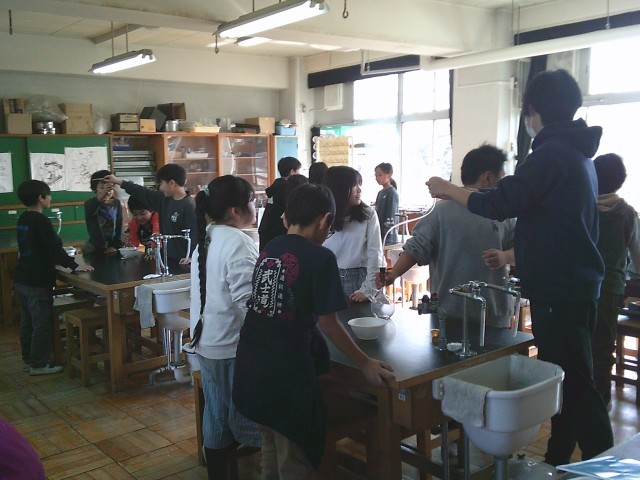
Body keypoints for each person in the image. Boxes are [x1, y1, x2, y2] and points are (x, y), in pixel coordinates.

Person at [426, 69, 613, 465]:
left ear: (532, 110)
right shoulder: (578, 154)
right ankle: (558, 458)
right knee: (564, 376)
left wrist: (449, 190)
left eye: (527, 112)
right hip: (575, 284)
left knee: (577, 385)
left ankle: (606, 464)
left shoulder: (550, 155)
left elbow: (498, 202)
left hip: (559, 289)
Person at [233, 183, 395, 479]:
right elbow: (328, 322)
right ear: (324, 220)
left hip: (251, 362)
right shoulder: (320, 257)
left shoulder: (271, 247)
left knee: (270, 446)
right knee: (295, 460)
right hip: (285, 372)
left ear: (286, 218)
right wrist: (365, 362)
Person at [378, 145, 516, 328]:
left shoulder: (503, 213)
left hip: (488, 313)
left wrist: (505, 256)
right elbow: (417, 248)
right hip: (452, 313)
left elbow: (521, 250)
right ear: (488, 177)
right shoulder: (442, 211)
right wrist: (394, 273)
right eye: (502, 178)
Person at [186, 176, 262, 480]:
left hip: (207, 342)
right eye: (253, 200)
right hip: (232, 345)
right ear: (235, 210)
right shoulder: (238, 241)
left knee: (216, 415)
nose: (256, 206)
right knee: (249, 418)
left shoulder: (209, 236)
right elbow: (248, 302)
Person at [13, 180, 93, 375]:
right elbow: (54, 248)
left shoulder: (23, 218)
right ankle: (39, 364)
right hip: (37, 280)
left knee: (28, 321)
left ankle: (29, 359)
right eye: (48, 195)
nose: (50, 198)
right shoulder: (40, 220)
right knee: (42, 322)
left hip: (22, 277)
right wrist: (75, 266)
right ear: (41, 198)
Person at [591, 153, 640, 407]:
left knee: (580, 344)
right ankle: (602, 400)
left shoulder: (583, 208)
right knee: (603, 345)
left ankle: (575, 399)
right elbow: (638, 256)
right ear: (621, 181)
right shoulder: (627, 213)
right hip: (610, 288)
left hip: (581, 286)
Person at [103, 164, 196, 263]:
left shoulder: (189, 206)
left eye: (161, 183)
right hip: (165, 259)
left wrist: (192, 257)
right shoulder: (163, 199)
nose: (160, 188)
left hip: (183, 262)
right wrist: (118, 181)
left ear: (171, 183)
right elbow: (140, 191)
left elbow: (195, 235)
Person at [323, 166, 385, 302]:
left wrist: (369, 290)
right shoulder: (323, 215)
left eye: (359, 185)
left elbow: (375, 254)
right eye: (354, 185)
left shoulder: (368, 214)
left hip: (359, 280)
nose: (359, 190)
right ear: (339, 189)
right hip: (328, 279)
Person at [258, 156, 301, 251]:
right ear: (292, 172)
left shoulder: (276, 186)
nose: (299, 173)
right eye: (298, 170)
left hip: (266, 228)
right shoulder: (286, 189)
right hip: (277, 231)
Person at [83, 170, 123, 254]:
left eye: (109, 187)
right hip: (94, 247)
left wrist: (116, 245)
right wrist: (101, 197)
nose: (107, 191)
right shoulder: (90, 203)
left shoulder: (116, 203)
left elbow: (119, 225)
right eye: (102, 188)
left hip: (112, 246)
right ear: (95, 189)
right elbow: (91, 211)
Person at [374, 162, 399, 245]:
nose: (377, 178)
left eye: (380, 175)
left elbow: (391, 215)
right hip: (379, 231)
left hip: (388, 235)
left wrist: (388, 232)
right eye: (376, 175)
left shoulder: (392, 193)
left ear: (389, 175)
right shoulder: (380, 193)